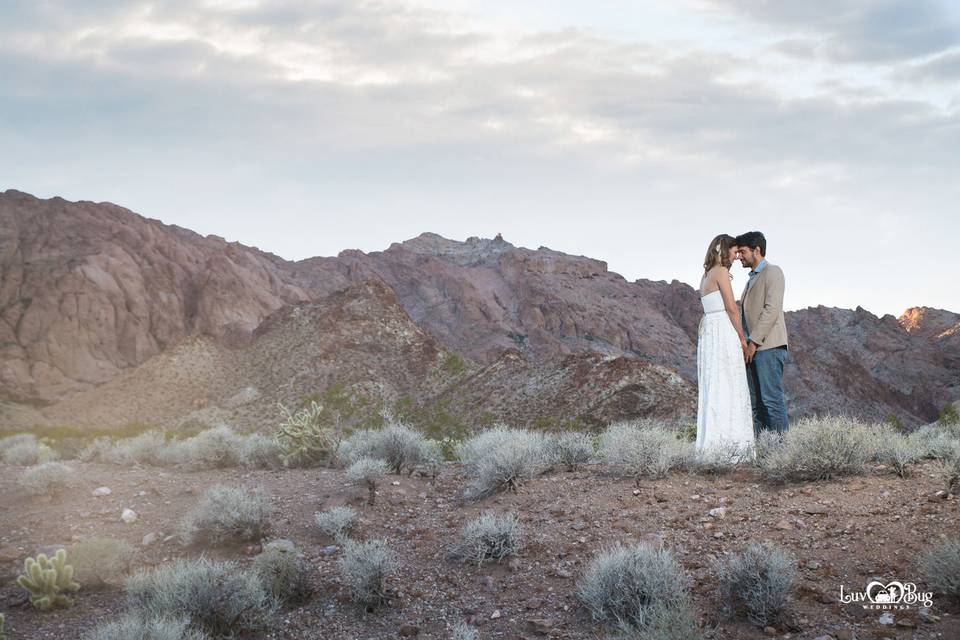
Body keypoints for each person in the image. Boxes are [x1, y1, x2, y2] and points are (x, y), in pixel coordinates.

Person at [695, 234, 755, 462]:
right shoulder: (720, 271)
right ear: (724, 250)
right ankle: (733, 450)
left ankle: (713, 447)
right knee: (729, 382)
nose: (735, 255)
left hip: (711, 331)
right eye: (734, 250)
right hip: (722, 330)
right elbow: (731, 308)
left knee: (717, 383)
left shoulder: (706, 274)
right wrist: (742, 338)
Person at [735, 231, 789, 435]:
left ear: (756, 250)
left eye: (742, 252)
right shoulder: (751, 280)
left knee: (771, 401)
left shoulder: (773, 272)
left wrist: (753, 343)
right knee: (756, 404)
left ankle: (782, 453)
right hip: (752, 350)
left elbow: (771, 310)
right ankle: (762, 451)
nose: (739, 257)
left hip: (769, 347)